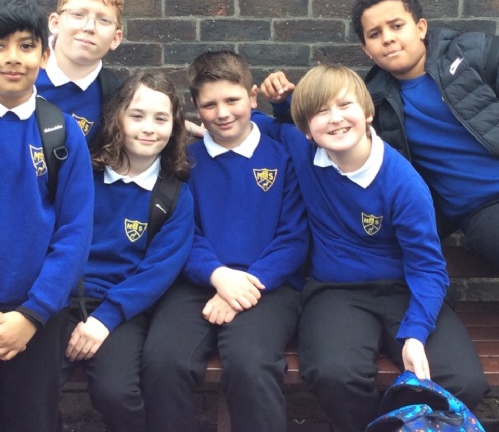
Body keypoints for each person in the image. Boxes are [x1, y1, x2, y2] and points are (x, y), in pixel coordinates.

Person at [253, 64, 489, 432]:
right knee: (334, 374)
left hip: (405, 289)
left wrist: (415, 334)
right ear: (307, 130)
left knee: (462, 380)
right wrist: (279, 107)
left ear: (367, 112)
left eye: (344, 105)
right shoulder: (301, 149)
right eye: (320, 112)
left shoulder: (403, 182)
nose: (335, 119)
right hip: (336, 291)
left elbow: (428, 268)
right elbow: (249, 125)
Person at [261, 0, 499, 269]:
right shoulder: (372, 99)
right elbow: (325, 130)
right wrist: (284, 103)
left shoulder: (473, 54)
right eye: (375, 34)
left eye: (397, 26)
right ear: (367, 50)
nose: (388, 38)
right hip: (481, 210)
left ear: (421, 28)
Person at [141, 50, 309, 432]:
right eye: (209, 104)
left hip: (268, 284)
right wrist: (218, 276)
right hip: (198, 281)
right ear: (196, 107)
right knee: (163, 361)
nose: (222, 113)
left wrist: (244, 285)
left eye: (232, 100)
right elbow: (182, 232)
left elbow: (294, 237)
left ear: (253, 97)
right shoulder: (183, 162)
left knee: (251, 363)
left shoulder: (282, 156)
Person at [60, 70, 194, 432]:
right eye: (137, 115)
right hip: (59, 303)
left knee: (116, 392)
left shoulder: (174, 195)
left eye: (161, 119)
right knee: (31, 388)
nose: (148, 128)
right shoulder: (81, 174)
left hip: (121, 311)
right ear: (116, 117)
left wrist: (105, 318)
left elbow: (159, 270)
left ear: (175, 126)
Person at [0, 0, 94, 432]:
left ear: (44, 53)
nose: (12, 58)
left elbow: (75, 232)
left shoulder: (61, 132)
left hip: (36, 316)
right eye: (0, 46)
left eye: (25, 45)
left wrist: (33, 313)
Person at [36, 0, 123, 144]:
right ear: (55, 23)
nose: (89, 27)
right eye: (78, 15)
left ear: (115, 38)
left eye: (103, 20)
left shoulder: (116, 97)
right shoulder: (16, 71)